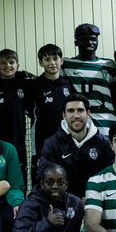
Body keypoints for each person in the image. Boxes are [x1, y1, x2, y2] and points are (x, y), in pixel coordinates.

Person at [11, 163, 92, 232]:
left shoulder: (75, 204)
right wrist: (47, 223)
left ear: (66, 184)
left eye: (60, 183)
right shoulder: (29, 205)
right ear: (42, 184)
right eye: (50, 182)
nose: (55, 186)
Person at [35, 94, 112, 196]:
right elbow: (44, 180)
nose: (76, 115)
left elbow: (110, 178)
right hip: (64, 203)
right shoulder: (52, 144)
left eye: (80, 110)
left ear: (88, 113)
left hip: (97, 200)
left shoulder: (104, 143)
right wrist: (73, 203)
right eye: (71, 111)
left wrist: (92, 199)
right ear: (64, 115)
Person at [0, 48, 33, 177]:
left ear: (17, 66)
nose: (8, 66)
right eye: (3, 63)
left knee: (18, 175)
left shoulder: (26, 85)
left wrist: (24, 74)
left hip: (18, 140)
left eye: (11, 62)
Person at [60, 23, 116, 133]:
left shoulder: (109, 65)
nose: (90, 43)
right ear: (76, 42)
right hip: (79, 125)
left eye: (93, 39)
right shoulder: (67, 64)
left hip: (106, 124)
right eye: (84, 39)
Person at [29, 43, 73, 171]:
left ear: (62, 61)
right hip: (41, 139)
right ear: (40, 63)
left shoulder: (68, 84)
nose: (52, 63)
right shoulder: (34, 86)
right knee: (42, 176)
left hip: (65, 138)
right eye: (47, 59)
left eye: (55, 58)